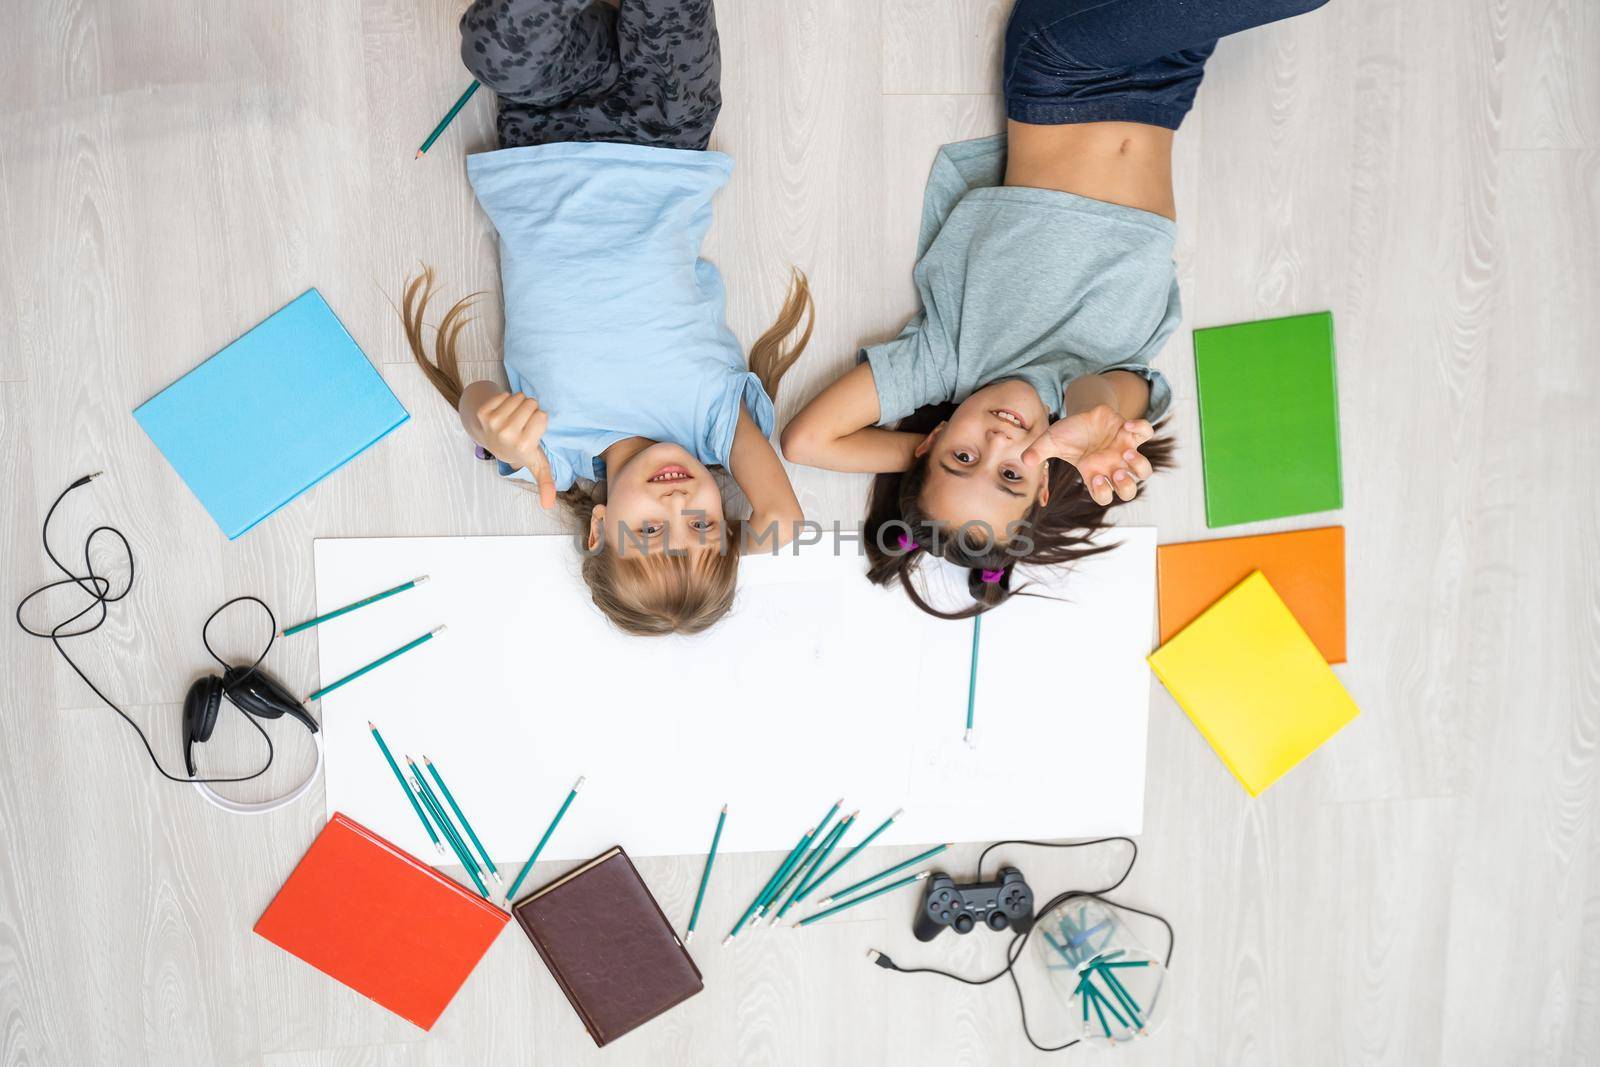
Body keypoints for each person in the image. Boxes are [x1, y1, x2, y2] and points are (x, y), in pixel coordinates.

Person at [781, 0, 1331, 617]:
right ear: (1044, 482)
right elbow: (1102, 399)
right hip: (1166, 90)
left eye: (961, 457)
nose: (994, 442)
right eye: (1010, 476)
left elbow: (805, 441)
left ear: (935, 437)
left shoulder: (946, 360)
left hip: (1067, 74)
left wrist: (912, 455)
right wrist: (1085, 425)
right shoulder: (1093, 405)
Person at [407, 0, 812, 635]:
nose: (679, 504)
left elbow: (478, 407)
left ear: (599, 527)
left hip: (544, 135)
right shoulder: (716, 427)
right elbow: (784, 521)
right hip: (667, 135)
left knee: (492, 47)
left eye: (651, 530)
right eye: (703, 524)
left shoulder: (557, 453)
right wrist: (735, 545)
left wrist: (491, 423)